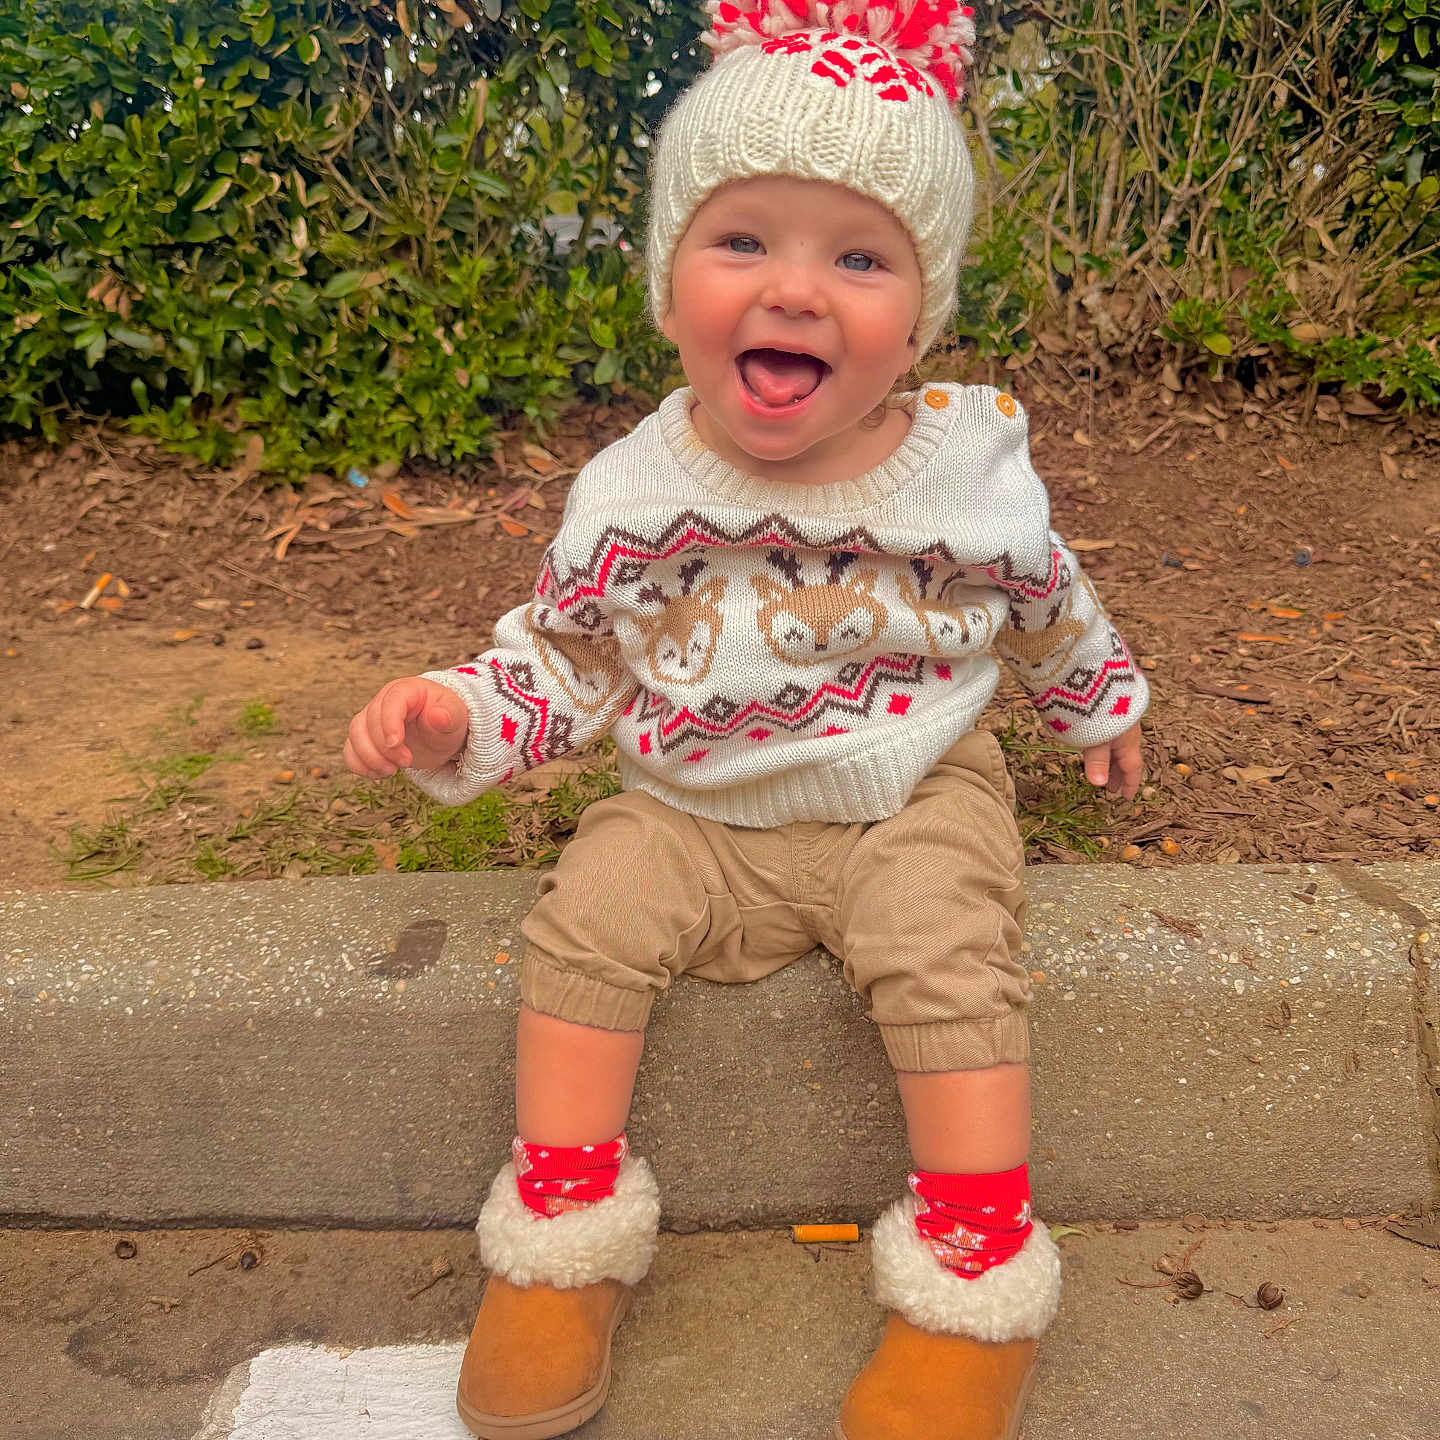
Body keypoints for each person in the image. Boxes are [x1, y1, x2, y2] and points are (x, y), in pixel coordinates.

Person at [343, 4, 1147, 1437]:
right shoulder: (636, 497)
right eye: (742, 242)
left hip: (911, 792)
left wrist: (1094, 699)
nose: (794, 292)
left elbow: (1047, 594)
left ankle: (973, 1285)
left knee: (949, 951)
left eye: (858, 257)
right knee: (586, 917)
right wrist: (453, 709)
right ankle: (562, 1237)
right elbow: (570, 657)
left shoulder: (966, 472)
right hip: (694, 809)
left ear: (923, 309)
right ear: (666, 286)